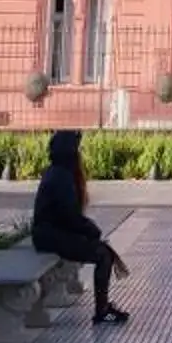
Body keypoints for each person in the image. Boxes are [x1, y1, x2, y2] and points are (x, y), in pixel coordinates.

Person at [31, 130, 131, 324]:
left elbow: (68, 216)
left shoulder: (58, 172)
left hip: (51, 233)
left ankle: (102, 307)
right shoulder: (61, 177)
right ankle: (101, 310)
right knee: (103, 255)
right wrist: (90, 230)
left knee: (102, 250)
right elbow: (69, 216)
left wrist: (87, 231)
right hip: (51, 236)